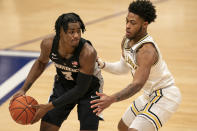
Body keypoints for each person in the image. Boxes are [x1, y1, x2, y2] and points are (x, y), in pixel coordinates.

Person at [90, 0, 181, 131]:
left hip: (165, 95)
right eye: (127, 21)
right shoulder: (127, 41)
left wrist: (111, 99)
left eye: (132, 23)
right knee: (123, 127)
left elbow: (137, 84)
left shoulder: (146, 51)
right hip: (148, 94)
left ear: (144, 25)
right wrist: (102, 64)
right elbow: (123, 67)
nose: (127, 26)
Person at [12, 12, 103, 131]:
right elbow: (40, 63)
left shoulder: (87, 53)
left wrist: (48, 106)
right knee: (47, 128)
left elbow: (80, 89)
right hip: (64, 85)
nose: (76, 35)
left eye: (78, 31)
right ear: (60, 32)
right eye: (71, 32)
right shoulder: (48, 44)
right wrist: (24, 89)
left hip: (89, 89)